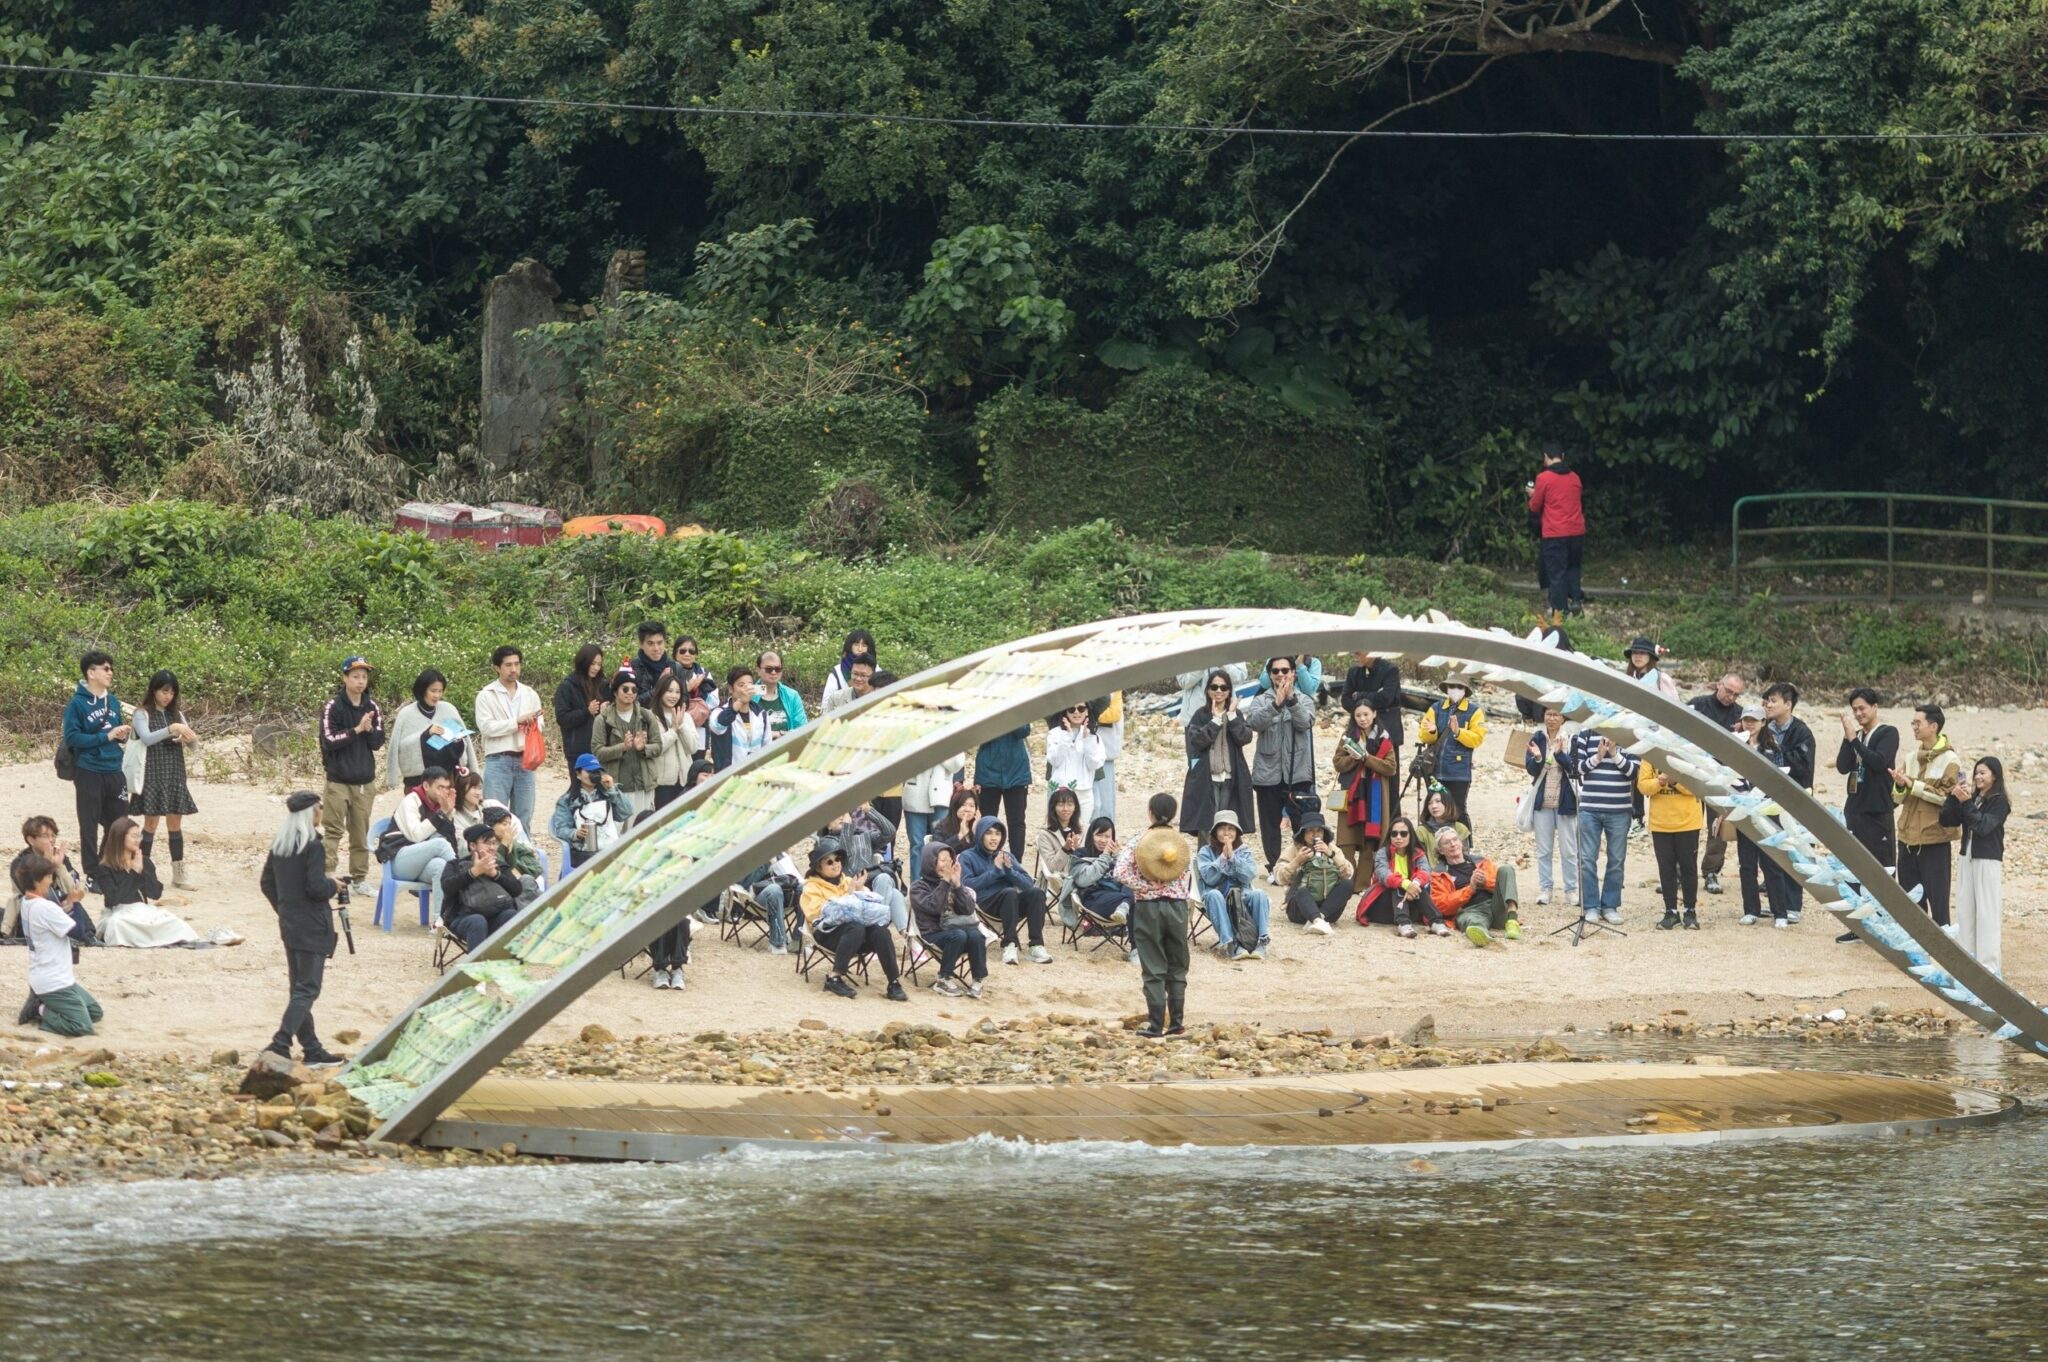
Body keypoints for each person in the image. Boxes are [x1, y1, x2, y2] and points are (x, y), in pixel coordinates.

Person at [258, 791, 345, 1065]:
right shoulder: (312, 845)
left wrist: (284, 908)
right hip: (312, 925)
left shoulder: (281, 844)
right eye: (320, 808)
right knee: (308, 988)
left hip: (290, 923)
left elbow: (266, 883)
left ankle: (311, 1049)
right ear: (311, 813)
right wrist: (334, 885)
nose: (322, 812)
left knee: (298, 987)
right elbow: (316, 887)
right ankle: (280, 1043)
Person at [1115, 793, 1194, 1038]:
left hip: (1149, 908)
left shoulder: (1140, 840)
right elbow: (1185, 872)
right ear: (1173, 814)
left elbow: (1120, 872)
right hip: (1178, 907)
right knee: (1177, 965)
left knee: (1153, 964)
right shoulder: (1180, 842)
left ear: (1150, 812)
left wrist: (1145, 886)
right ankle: (1177, 1022)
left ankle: (1156, 1024)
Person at [800, 838, 907, 1001]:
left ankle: (894, 982)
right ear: (818, 867)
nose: (836, 864)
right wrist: (849, 896)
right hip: (827, 934)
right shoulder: (811, 887)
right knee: (855, 927)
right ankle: (834, 977)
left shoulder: (848, 880)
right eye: (829, 862)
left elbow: (865, 908)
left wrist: (860, 890)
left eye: (838, 859)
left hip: (856, 934)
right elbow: (818, 916)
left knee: (881, 931)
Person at [63, 649, 132, 886]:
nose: (110, 672)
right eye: (105, 668)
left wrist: (121, 734)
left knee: (119, 820)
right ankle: (93, 873)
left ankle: (107, 865)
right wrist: (107, 737)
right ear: (91, 672)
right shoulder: (77, 704)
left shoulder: (113, 701)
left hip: (114, 767)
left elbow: (113, 732)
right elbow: (72, 738)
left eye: (111, 668)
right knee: (89, 823)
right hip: (88, 769)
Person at [1242, 657, 1317, 875]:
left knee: (1303, 824)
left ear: (1294, 673)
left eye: (1285, 670)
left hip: (1298, 772)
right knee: (1269, 826)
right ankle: (1276, 868)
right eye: (1276, 671)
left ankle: (1305, 866)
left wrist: (1291, 700)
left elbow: (1306, 723)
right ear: (1270, 674)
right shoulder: (1260, 700)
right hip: (1268, 772)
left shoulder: (1304, 699)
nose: (1281, 674)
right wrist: (1276, 703)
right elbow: (1254, 723)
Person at [127, 669, 200, 889]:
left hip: (174, 773)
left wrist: (188, 737)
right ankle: (142, 871)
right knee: (150, 823)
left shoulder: (177, 715)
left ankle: (178, 873)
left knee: (175, 823)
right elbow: (147, 739)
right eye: (164, 691)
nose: (168, 696)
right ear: (154, 690)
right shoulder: (142, 713)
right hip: (152, 773)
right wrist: (170, 729)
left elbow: (194, 745)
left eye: (171, 692)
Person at [1891, 702, 1962, 928]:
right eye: (1912, 723)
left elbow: (1947, 798)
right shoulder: (1911, 757)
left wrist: (1914, 785)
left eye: (1917, 723)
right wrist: (1900, 786)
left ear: (1933, 726)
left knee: (1938, 902)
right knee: (1910, 900)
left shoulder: (1951, 760)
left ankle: (1945, 953)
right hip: (1906, 838)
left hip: (1934, 840)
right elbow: (1897, 798)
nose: (1913, 727)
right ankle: (1915, 950)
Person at [15, 853, 100, 1036]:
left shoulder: (26, 902)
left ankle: (41, 1001)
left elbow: (55, 919)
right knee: (82, 1027)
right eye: (48, 877)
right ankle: (39, 1009)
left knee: (95, 1012)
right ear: (37, 881)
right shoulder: (45, 908)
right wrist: (76, 902)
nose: (50, 881)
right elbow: (79, 933)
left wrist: (69, 902)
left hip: (50, 976)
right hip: (54, 982)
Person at [1564, 728, 1638, 925]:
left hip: (1620, 808)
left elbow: (1633, 772)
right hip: (1589, 807)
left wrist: (1614, 754)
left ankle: (1610, 906)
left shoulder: (1629, 734)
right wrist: (1598, 756)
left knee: (1616, 860)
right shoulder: (1584, 735)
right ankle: (1590, 906)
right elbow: (1576, 769)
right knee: (1587, 859)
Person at [1757, 681, 1817, 924]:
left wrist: (1775, 753)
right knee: (1771, 851)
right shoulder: (1764, 729)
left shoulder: (1802, 732)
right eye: (1767, 701)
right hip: (1767, 798)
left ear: (1788, 705)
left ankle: (1793, 905)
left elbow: (1803, 765)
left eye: (1773, 701)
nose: (1768, 705)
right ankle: (1776, 904)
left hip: (1795, 799)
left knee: (1794, 849)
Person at [1943, 757, 2008, 973]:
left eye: (1983, 773)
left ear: (1994, 776)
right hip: (1967, 857)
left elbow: (1982, 826)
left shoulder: (1999, 801)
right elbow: (1947, 820)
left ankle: (1989, 968)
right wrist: (1954, 798)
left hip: (1987, 860)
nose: (1978, 777)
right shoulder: (1973, 798)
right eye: (1976, 773)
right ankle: (1966, 964)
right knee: (1965, 911)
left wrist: (1966, 802)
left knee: (1987, 913)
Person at [960, 816, 1052, 965]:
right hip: (986, 904)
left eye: (997, 833)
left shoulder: (1006, 856)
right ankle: (1010, 944)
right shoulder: (967, 856)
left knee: (1037, 893)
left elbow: (1028, 884)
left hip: (1011, 904)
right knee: (1009, 893)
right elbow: (967, 886)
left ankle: (1036, 945)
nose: (994, 838)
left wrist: (1010, 872)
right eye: (989, 833)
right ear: (980, 834)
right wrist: (995, 871)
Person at [95, 816, 199, 946]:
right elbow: (113, 898)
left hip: (142, 910)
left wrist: (143, 871)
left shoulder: (144, 861)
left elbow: (155, 893)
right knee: (117, 924)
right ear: (120, 837)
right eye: (133, 836)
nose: (137, 840)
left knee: (173, 921)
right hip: (119, 912)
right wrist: (134, 873)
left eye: (139, 836)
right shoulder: (105, 867)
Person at [1180, 670, 1257, 840]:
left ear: (1229, 691)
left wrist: (1230, 717)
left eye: (1223, 687)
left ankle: (1227, 863)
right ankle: (1205, 864)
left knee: (1228, 826)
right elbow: (1197, 741)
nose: (1219, 691)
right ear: (1207, 690)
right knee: (1207, 826)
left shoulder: (1235, 714)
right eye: (1214, 686)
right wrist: (1214, 722)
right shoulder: (1200, 715)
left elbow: (1245, 737)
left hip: (1230, 777)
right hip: (1207, 778)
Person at [476, 645, 545, 833]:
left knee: (523, 817)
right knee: (494, 816)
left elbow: (540, 724)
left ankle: (522, 860)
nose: (513, 669)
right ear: (497, 668)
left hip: (525, 760)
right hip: (498, 759)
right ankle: (496, 860)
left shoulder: (530, 694)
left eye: (516, 664)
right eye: (508, 665)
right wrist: (517, 722)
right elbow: (487, 727)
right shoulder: (486, 695)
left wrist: (531, 724)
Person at [1687, 674, 1745, 894]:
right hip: (1693, 771)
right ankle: (1683, 871)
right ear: (1719, 685)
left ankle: (1711, 871)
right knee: (1688, 824)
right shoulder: (1698, 704)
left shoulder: (1740, 715)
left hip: (1722, 775)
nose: (1730, 697)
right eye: (1728, 691)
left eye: (1735, 694)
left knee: (1718, 827)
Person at [1333, 700, 1398, 891]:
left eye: (1366, 715)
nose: (1362, 719)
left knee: (1370, 843)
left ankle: (1360, 886)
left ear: (1374, 714)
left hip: (1374, 796)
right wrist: (1353, 758)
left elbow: (1391, 767)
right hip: (1351, 796)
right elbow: (1338, 763)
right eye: (1358, 715)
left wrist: (1367, 759)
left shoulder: (1385, 739)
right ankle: (1346, 884)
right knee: (1346, 841)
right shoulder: (1348, 737)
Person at [381, 766, 461, 922]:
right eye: (439, 787)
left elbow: (451, 840)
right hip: (398, 860)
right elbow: (416, 835)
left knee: (441, 866)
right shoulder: (411, 800)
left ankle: (440, 920)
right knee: (440, 844)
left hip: (422, 864)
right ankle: (461, 875)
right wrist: (441, 815)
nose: (443, 792)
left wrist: (449, 814)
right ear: (426, 786)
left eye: (446, 788)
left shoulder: (442, 806)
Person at [910, 842, 988, 998]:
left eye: (949, 860)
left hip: (956, 930)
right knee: (958, 935)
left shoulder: (953, 883)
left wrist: (958, 885)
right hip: (932, 932)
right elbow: (934, 907)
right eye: (942, 860)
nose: (946, 864)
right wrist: (945, 883)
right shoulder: (918, 887)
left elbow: (968, 910)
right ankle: (943, 979)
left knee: (976, 934)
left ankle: (978, 979)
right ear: (930, 862)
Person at [1639, 756, 1704, 930]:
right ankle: (1671, 911)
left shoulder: (1689, 753)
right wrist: (1660, 782)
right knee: (1666, 869)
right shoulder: (1650, 755)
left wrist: (1676, 782)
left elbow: (1698, 787)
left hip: (1688, 822)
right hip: (1661, 823)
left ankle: (1690, 911)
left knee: (1688, 867)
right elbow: (1643, 786)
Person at [1523, 707, 1579, 907]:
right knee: (1544, 850)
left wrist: (1560, 754)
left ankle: (1571, 890)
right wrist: (1538, 758)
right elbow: (1530, 769)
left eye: (1556, 714)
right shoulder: (1536, 737)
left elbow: (1575, 769)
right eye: (1549, 714)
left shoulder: (1571, 739)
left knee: (1569, 849)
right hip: (1543, 802)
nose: (1552, 718)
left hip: (1565, 802)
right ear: (1543, 716)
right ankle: (1545, 889)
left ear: (1563, 718)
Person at [1196, 811, 1271, 960]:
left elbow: (1249, 876)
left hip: (1241, 896)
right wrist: (1223, 858)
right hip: (1218, 897)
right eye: (1222, 828)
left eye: (1231, 829)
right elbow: (1210, 879)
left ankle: (1259, 942)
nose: (1226, 832)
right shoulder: (1205, 852)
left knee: (1259, 894)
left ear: (1237, 832)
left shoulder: (1245, 852)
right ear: (1215, 832)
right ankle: (1231, 943)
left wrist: (1233, 858)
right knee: (1213, 895)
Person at [1431, 827, 1522, 946]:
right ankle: (1482, 935)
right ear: (1441, 850)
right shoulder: (1438, 874)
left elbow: (1503, 887)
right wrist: (1471, 888)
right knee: (1472, 922)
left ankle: (1512, 920)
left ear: (1461, 843)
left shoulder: (1481, 862)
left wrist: (1485, 882)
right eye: (1447, 843)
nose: (1453, 844)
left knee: (1506, 869)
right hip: (1471, 911)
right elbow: (1442, 906)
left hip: (1495, 906)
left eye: (1455, 840)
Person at [1416, 681, 1487, 834]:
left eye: (1460, 687)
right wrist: (1432, 732)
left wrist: (1458, 732)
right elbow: (1424, 735)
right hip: (1434, 769)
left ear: (1465, 690)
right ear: (1446, 689)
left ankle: (1465, 846)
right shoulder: (1435, 708)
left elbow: (1477, 738)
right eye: (1452, 686)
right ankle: (1433, 843)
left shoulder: (1475, 711)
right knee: (1434, 808)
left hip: (1458, 772)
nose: (1455, 690)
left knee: (1458, 810)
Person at [1354, 818, 1445, 937]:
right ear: (1389, 836)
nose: (1398, 837)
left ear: (1410, 835)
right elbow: (1383, 875)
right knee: (1397, 884)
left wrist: (1415, 884)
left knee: (1417, 886)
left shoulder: (1418, 853)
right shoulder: (1383, 853)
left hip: (1408, 903)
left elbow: (1425, 871)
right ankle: (1403, 924)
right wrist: (1406, 884)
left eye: (1403, 833)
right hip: (1380, 907)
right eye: (1394, 833)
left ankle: (1436, 922)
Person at [593, 668, 666, 816]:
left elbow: (658, 746)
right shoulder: (603, 719)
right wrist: (622, 747)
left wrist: (643, 748)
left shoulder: (647, 716)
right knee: (617, 836)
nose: (630, 693)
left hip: (643, 786)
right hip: (616, 788)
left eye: (634, 689)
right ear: (615, 692)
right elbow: (597, 752)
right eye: (625, 689)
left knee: (640, 832)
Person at [440, 825, 525, 951]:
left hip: (495, 919)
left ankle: (510, 963)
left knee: (511, 915)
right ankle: (477, 968)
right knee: (477, 921)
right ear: (473, 846)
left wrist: (495, 874)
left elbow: (517, 890)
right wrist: (474, 872)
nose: (492, 848)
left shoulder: (500, 866)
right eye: (486, 843)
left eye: (494, 843)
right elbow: (447, 887)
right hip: (464, 919)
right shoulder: (455, 865)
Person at [1528, 443, 1586, 619]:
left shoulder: (1544, 478)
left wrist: (1532, 494)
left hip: (1555, 532)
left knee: (1556, 573)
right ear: (1563, 456)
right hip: (1577, 531)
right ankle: (1576, 600)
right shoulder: (1575, 477)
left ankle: (1560, 612)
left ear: (1546, 457)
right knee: (1573, 566)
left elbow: (1535, 506)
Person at [387, 668, 468, 793]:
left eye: (440, 691)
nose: (437, 695)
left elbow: (466, 741)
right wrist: (425, 734)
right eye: (433, 691)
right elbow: (398, 746)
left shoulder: (449, 709)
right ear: (422, 689)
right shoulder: (406, 714)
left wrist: (456, 739)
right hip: (418, 780)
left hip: (449, 778)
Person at [7, 817, 86, 942]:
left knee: (73, 902)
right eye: (45, 836)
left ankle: (89, 935)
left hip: (59, 904)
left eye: (53, 835)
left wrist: (59, 867)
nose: (51, 840)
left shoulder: (60, 857)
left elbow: (73, 889)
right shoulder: (21, 862)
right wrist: (47, 866)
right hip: (30, 908)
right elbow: (30, 891)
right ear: (31, 839)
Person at [830, 803, 906, 931]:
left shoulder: (863, 837)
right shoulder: (827, 843)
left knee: (894, 892)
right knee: (886, 881)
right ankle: (876, 928)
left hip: (870, 889)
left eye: (844, 814)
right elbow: (844, 855)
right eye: (836, 815)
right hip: (848, 890)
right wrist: (847, 829)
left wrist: (869, 810)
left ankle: (908, 937)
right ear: (827, 824)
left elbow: (890, 833)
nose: (842, 817)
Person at [551, 754, 632, 870]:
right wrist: (576, 834)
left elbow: (626, 812)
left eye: (596, 771)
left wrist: (612, 789)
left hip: (609, 849)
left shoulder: (607, 794)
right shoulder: (567, 801)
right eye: (589, 771)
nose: (594, 775)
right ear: (578, 774)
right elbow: (560, 829)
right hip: (583, 854)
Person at [1730, 704, 1772, 924]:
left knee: (1770, 862)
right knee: (1747, 863)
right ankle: (1751, 909)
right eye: (1746, 719)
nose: (1750, 723)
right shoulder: (1735, 744)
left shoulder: (1772, 747)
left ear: (1763, 722)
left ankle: (1778, 909)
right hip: (1743, 810)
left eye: (1754, 720)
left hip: (1766, 811)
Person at [1278, 812, 1352, 934]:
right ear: (1303, 833)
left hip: (1329, 910)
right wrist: (1297, 861)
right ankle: (1316, 920)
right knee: (1301, 890)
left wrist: (1331, 855)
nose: (1315, 834)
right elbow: (1279, 878)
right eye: (1310, 831)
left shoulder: (1331, 848)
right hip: (1300, 909)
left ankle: (1318, 919)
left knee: (1347, 884)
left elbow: (1348, 873)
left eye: (1319, 831)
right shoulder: (1293, 850)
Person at [972, 724, 1033, 857]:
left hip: (1017, 771)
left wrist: (1011, 713)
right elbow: (977, 735)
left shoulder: (1017, 704)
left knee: (1016, 822)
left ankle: (1016, 864)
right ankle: (986, 861)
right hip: (987, 770)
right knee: (986, 821)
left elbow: (1023, 731)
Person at [1046, 701, 1107, 833]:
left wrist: (1087, 739)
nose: (1076, 712)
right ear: (1065, 712)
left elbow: (1095, 764)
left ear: (1087, 711)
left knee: (1081, 832)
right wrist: (1066, 737)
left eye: (1081, 708)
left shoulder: (1094, 736)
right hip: (1060, 793)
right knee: (1059, 833)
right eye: (1071, 709)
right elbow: (1055, 761)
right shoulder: (1055, 733)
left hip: (1084, 793)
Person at [553, 645, 610, 782]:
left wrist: (606, 708)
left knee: (601, 790)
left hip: (601, 748)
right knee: (580, 789)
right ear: (583, 662)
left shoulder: (603, 684)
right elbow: (562, 718)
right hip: (577, 749)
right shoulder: (568, 686)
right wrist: (586, 712)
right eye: (592, 664)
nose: (596, 668)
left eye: (599, 664)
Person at [645, 672, 702, 809]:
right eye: (669, 691)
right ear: (660, 691)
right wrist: (673, 730)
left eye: (677, 692)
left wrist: (681, 726)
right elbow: (655, 748)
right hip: (661, 783)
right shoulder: (650, 716)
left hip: (684, 780)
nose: (673, 696)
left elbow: (693, 748)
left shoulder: (686, 717)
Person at [1070, 817, 1133, 928]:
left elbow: (1129, 878)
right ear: (1091, 835)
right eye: (1099, 835)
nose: (1103, 840)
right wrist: (1105, 856)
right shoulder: (1081, 854)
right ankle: (1126, 904)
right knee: (1135, 900)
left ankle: (1134, 945)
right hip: (1094, 900)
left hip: (1119, 898)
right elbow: (1083, 880)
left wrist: (1119, 857)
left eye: (1107, 836)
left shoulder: (1116, 856)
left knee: (1136, 891)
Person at [903, 752, 966, 863]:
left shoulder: (949, 735)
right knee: (917, 845)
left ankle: (939, 879)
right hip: (915, 793)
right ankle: (916, 880)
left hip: (941, 796)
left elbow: (957, 764)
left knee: (941, 844)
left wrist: (937, 750)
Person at [707, 664, 771, 771]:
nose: (746, 689)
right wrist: (739, 703)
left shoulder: (761, 714)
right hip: (727, 776)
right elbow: (717, 727)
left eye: (750, 684)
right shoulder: (719, 712)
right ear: (731, 689)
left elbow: (767, 746)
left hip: (755, 776)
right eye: (741, 685)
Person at [1340, 652, 1406, 750]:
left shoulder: (1389, 670)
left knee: (1387, 763)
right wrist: (1363, 711)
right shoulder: (1354, 672)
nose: (1355, 657)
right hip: (1360, 729)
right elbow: (1345, 700)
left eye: (1358, 653)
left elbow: (1385, 698)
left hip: (1386, 726)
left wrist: (1359, 695)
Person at [484, 805, 545, 906]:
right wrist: (504, 847)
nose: (508, 828)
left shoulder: (514, 844)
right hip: (497, 888)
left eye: (509, 824)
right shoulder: (486, 846)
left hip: (521, 884)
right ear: (491, 826)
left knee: (526, 880)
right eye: (504, 824)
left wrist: (515, 866)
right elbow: (498, 867)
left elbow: (536, 868)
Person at [1034, 787, 1084, 891]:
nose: (1065, 809)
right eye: (1061, 804)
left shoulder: (1084, 830)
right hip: (1060, 880)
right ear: (1053, 807)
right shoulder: (1045, 834)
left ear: (1075, 807)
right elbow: (1052, 868)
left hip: (1083, 876)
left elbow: (1089, 860)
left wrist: (1078, 849)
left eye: (1070, 804)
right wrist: (1065, 849)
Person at [755, 650, 809, 739]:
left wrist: (779, 734)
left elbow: (802, 728)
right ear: (758, 670)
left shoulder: (792, 696)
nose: (773, 672)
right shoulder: (749, 694)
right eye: (769, 669)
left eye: (777, 669)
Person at [820, 630, 878, 712]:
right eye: (856, 644)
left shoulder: (877, 670)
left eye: (864, 645)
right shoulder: (837, 672)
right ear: (849, 646)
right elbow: (826, 705)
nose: (860, 649)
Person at [1417, 786, 1471, 871]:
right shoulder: (1422, 831)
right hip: (1433, 876)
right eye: (1430, 803)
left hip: (1460, 872)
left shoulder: (1460, 828)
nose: (1434, 806)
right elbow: (1420, 861)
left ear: (1448, 803)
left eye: (1438, 801)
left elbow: (1466, 856)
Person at [1091, 692, 1124, 825]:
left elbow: (1114, 714)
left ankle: (1105, 834)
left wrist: (1089, 717)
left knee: (1105, 802)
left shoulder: (1114, 687)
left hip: (1105, 753)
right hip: (1085, 752)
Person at [630, 621, 679, 699]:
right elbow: (632, 702)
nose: (656, 649)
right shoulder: (632, 669)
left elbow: (684, 699)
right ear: (641, 644)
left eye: (659, 643)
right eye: (650, 643)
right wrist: (659, 686)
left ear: (665, 643)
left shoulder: (675, 667)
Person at [932, 787, 982, 854]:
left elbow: (985, 854)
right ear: (955, 807)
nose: (967, 809)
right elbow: (938, 852)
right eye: (963, 805)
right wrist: (960, 835)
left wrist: (976, 832)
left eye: (971, 806)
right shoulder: (942, 827)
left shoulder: (978, 826)